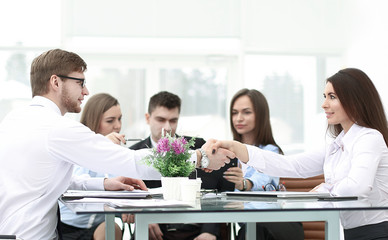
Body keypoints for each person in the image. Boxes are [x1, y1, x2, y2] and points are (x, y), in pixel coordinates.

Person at [0, 49, 234, 239]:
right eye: (80, 82)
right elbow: (130, 161)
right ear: (55, 82)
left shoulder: (13, 120)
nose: (86, 91)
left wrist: (103, 183)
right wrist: (199, 157)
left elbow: (45, 180)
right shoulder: (56, 128)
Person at [214, 68, 388, 240]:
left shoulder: (369, 138)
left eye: (332, 97)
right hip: (352, 233)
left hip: (378, 233)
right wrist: (239, 149)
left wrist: (325, 189)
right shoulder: (338, 145)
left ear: (354, 100)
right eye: (325, 97)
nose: (324, 104)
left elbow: (358, 187)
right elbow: (292, 165)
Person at [130, 91, 234, 240]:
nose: (167, 127)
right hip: (152, 230)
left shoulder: (199, 147)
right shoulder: (134, 153)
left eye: (173, 120)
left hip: (196, 229)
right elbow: (128, 197)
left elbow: (215, 192)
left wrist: (209, 230)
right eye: (161, 119)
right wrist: (143, 216)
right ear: (148, 118)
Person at [223, 88, 304, 240]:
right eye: (234, 113)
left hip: (278, 223)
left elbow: (262, 179)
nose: (238, 118)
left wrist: (244, 184)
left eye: (246, 112)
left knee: (251, 230)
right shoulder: (228, 156)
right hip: (252, 227)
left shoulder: (270, 151)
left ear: (260, 116)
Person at [59, 93, 128, 240]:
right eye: (110, 121)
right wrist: (100, 145)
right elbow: (75, 183)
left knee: (112, 228)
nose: (117, 125)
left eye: (120, 119)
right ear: (94, 121)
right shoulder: (76, 145)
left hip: (98, 227)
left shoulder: (120, 154)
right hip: (67, 226)